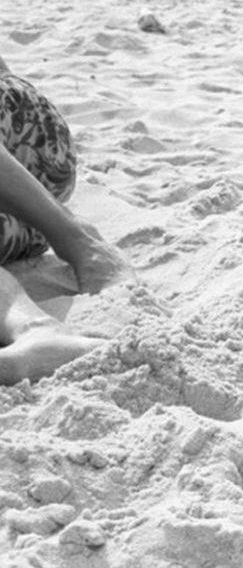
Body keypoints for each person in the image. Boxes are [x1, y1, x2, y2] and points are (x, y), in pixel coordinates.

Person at [0, 54, 135, 385]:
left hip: (25, 130)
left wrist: (69, 237)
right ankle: (37, 330)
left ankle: (77, 241)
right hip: (23, 209)